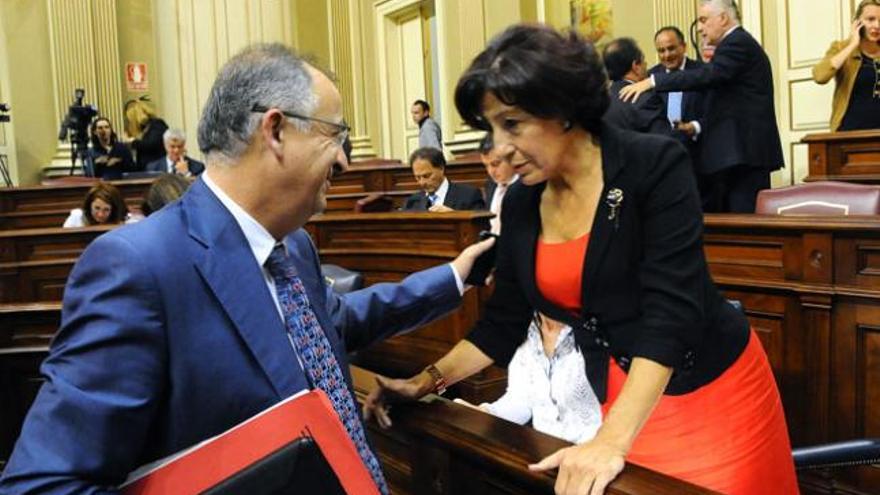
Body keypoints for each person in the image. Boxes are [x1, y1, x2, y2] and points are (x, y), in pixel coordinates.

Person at [0, 43, 493, 494]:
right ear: (275, 130)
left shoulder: (292, 246)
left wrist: (454, 276)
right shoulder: (136, 268)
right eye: (335, 134)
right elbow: (44, 485)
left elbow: (331, 324)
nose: (343, 158)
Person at [364, 24, 798, 495]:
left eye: (512, 124)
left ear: (563, 109)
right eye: (490, 128)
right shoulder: (522, 203)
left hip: (711, 394)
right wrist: (425, 381)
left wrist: (610, 441)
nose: (500, 149)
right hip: (621, 393)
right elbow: (503, 323)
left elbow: (671, 312)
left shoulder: (653, 164)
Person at [620, 0, 784, 213]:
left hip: (743, 155)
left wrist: (654, 81)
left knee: (745, 230)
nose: (700, 27)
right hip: (735, 156)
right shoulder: (735, 44)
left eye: (704, 20)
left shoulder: (737, 43)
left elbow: (709, 75)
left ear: (723, 18)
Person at [456, 312, 603, 445]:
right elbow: (521, 400)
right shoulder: (525, 327)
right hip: (544, 456)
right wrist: (487, 413)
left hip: (598, 458)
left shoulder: (599, 330)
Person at [648, 26, 710, 209]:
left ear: (683, 46)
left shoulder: (703, 72)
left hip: (699, 160)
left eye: (671, 48)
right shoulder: (650, 78)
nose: (667, 55)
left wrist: (695, 127)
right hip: (662, 164)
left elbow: (717, 114)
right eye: (661, 50)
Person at [812, 0, 880, 131]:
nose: (877, 25)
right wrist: (853, 44)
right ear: (857, 22)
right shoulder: (841, 47)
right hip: (850, 134)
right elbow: (820, 76)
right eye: (870, 19)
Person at [601, 38, 669, 134]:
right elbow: (665, 144)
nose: (646, 64)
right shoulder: (646, 100)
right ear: (635, 66)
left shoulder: (601, 101)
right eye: (643, 60)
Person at [402, 147, 485, 211]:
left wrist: (454, 216)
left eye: (427, 176)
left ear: (441, 168)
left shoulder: (469, 195)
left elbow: (479, 228)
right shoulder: (412, 202)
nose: (422, 182)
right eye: (418, 177)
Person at [479, 134, 517, 234]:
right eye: (486, 166)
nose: (490, 171)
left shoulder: (528, 185)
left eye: (495, 164)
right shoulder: (490, 185)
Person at [124, 97, 169, 170]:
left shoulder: (157, 124)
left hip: (156, 167)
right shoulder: (144, 129)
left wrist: (133, 142)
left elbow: (152, 144)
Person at [62, 182, 130, 228]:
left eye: (106, 210)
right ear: (89, 205)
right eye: (97, 208)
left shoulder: (127, 222)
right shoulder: (76, 217)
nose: (100, 214)